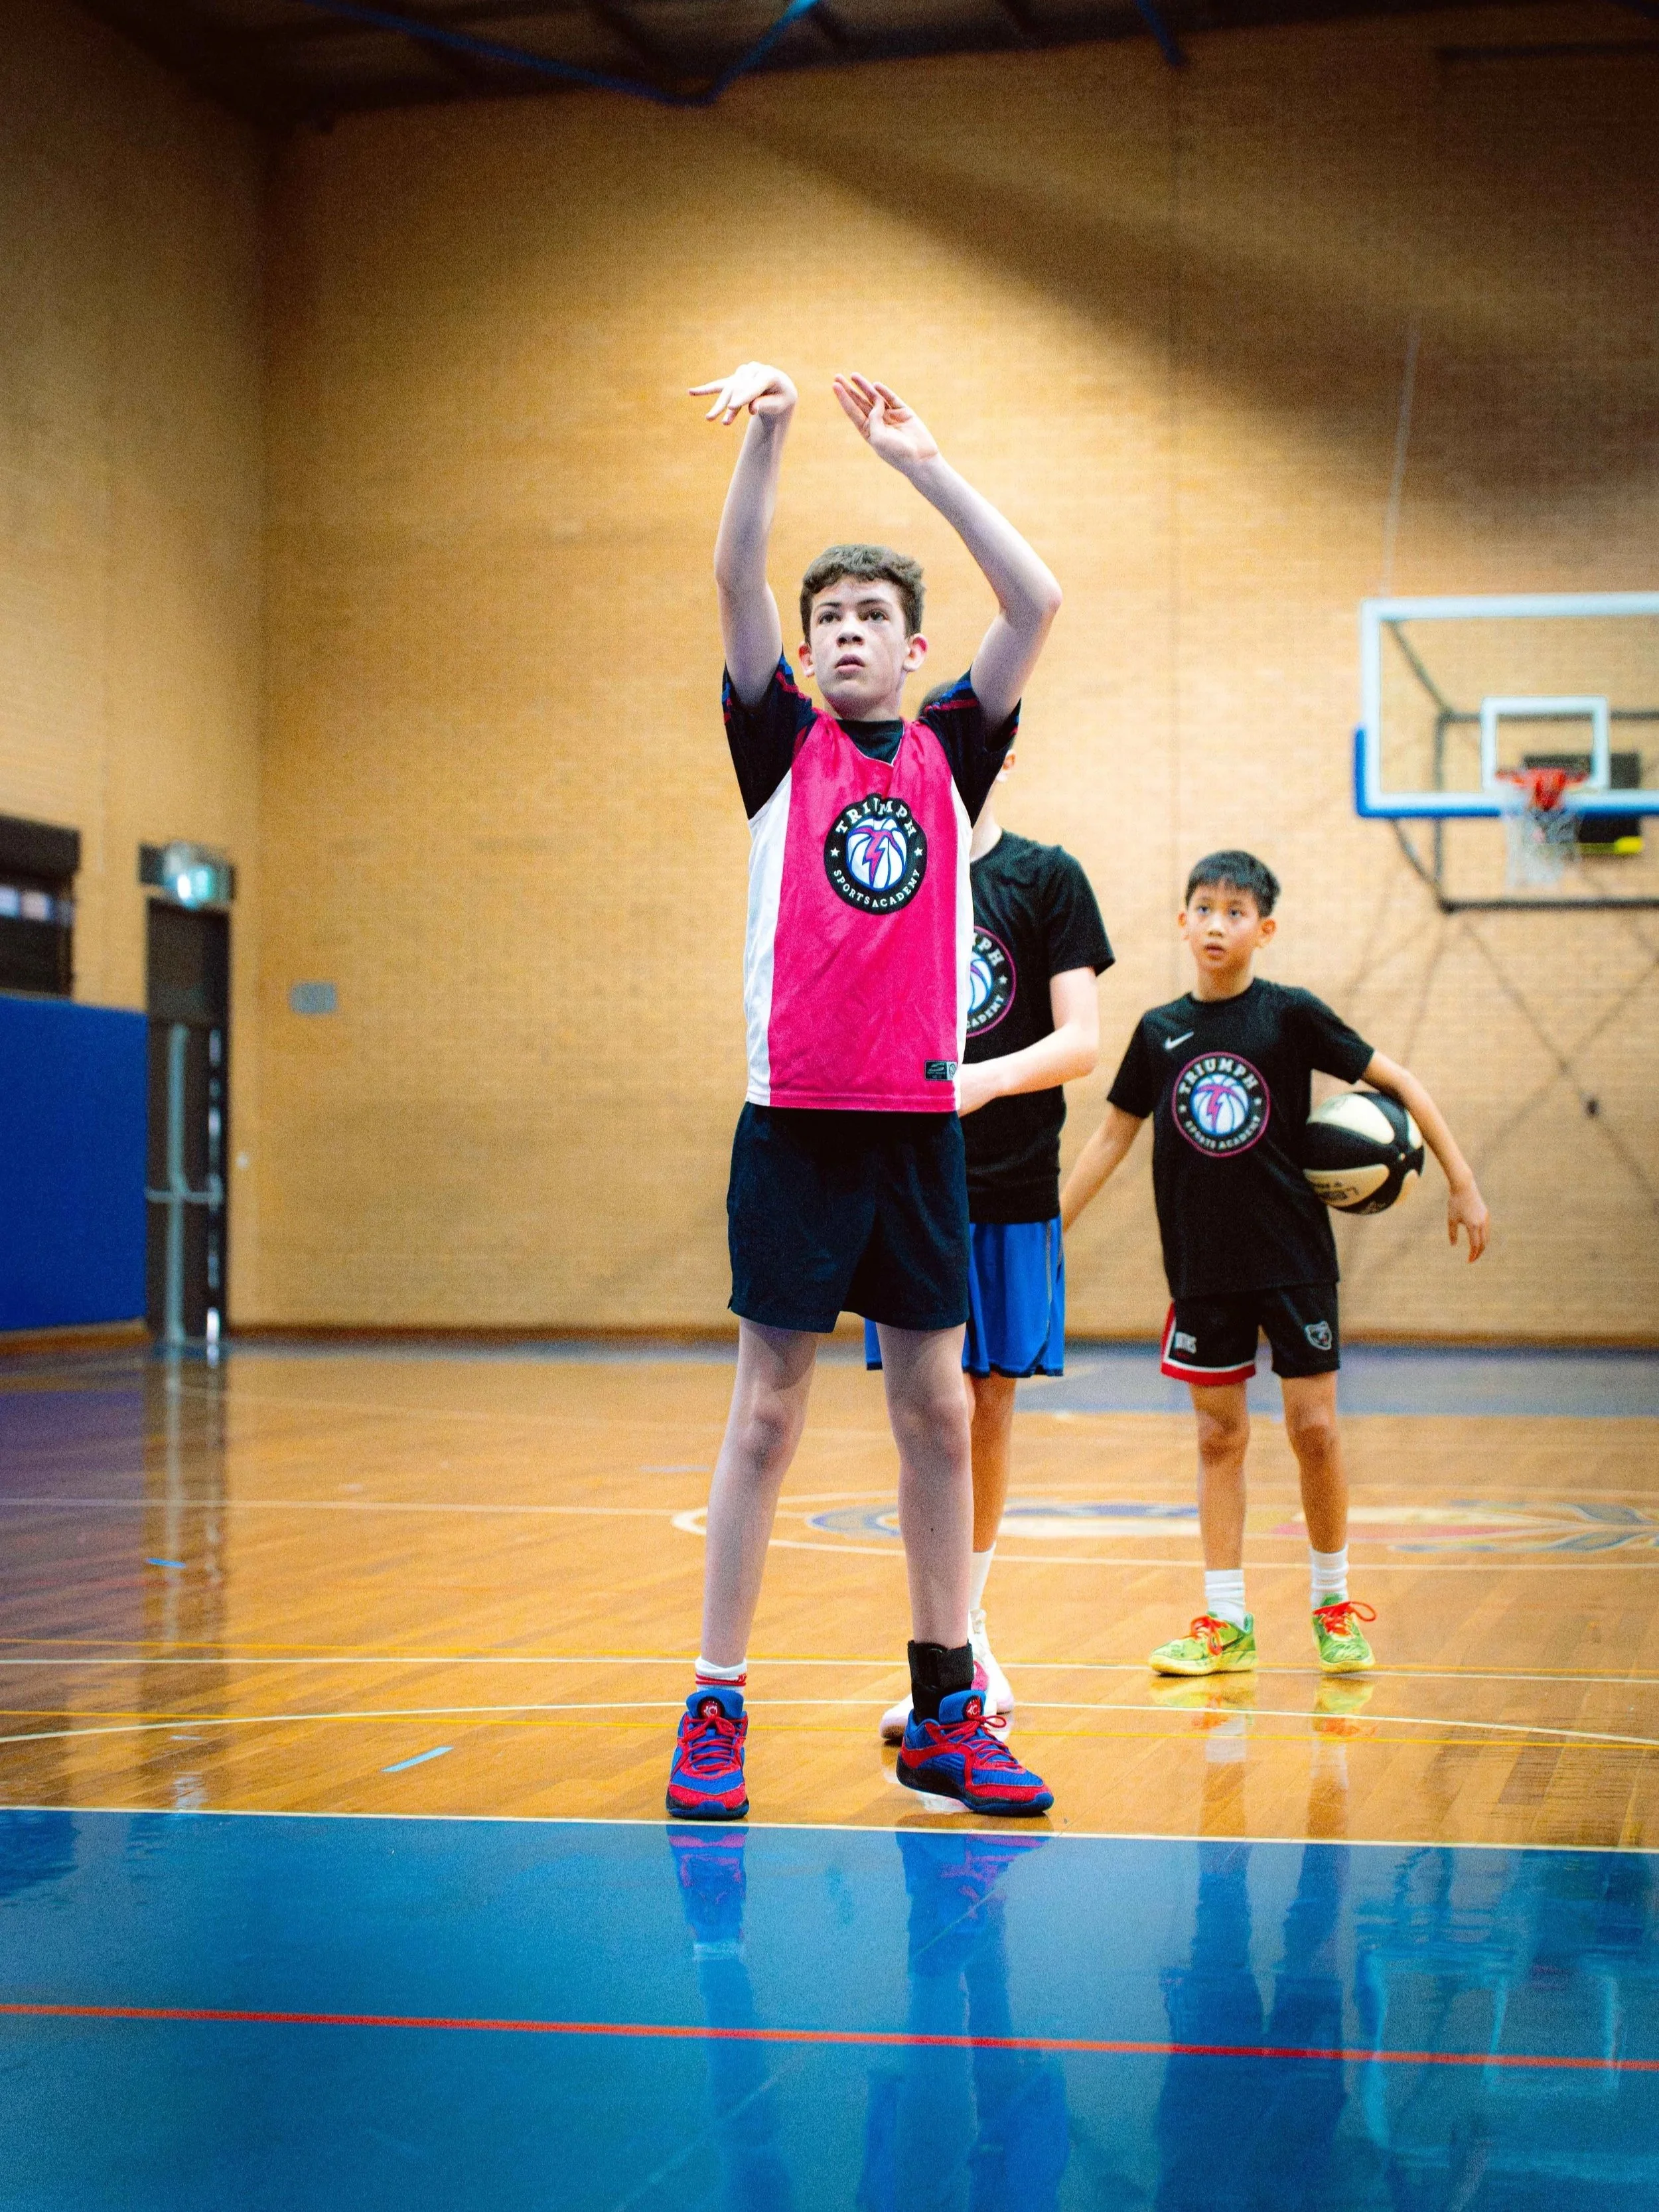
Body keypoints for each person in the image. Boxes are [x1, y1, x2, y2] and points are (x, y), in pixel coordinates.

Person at [666, 360, 1062, 1820]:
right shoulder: (779, 746)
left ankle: (947, 1706)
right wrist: (771, 433)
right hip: (793, 1131)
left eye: (867, 620)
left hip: (914, 1135)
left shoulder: (953, 753)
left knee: (935, 1416)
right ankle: (715, 1703)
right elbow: (730, 575)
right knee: (766, 1413)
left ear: (908, 653)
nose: (840, 633)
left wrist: (926, 468)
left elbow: (1035, 603)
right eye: (826, 617)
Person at [1060, 849, 1489, 1677]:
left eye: (1234, 911)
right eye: (1204, 909)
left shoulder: (1289, 1016)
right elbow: (1113, 1133)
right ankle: (1225, 1624)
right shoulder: (1157, 1031)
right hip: (1201, 1267)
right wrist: (1051, 1231)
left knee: (1315, 1432)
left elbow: (1397, 1079)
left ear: (1265, 929)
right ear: (1182, 922)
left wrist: (1461, 1182)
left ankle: (1332, 1607)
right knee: (1219, 1440)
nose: (1217, 923)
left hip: (1293, 1259)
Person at [867, 742, 1112, 1740]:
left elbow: (1082, 1042)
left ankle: (966, 1639)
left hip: (1010, 1182)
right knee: (927, 1408)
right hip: (911, 1181)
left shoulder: (1045, 877)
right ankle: (948, 1652)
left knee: (986, 1405)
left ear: (1002, 756)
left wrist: (986, 1078)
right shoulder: (895, 870)